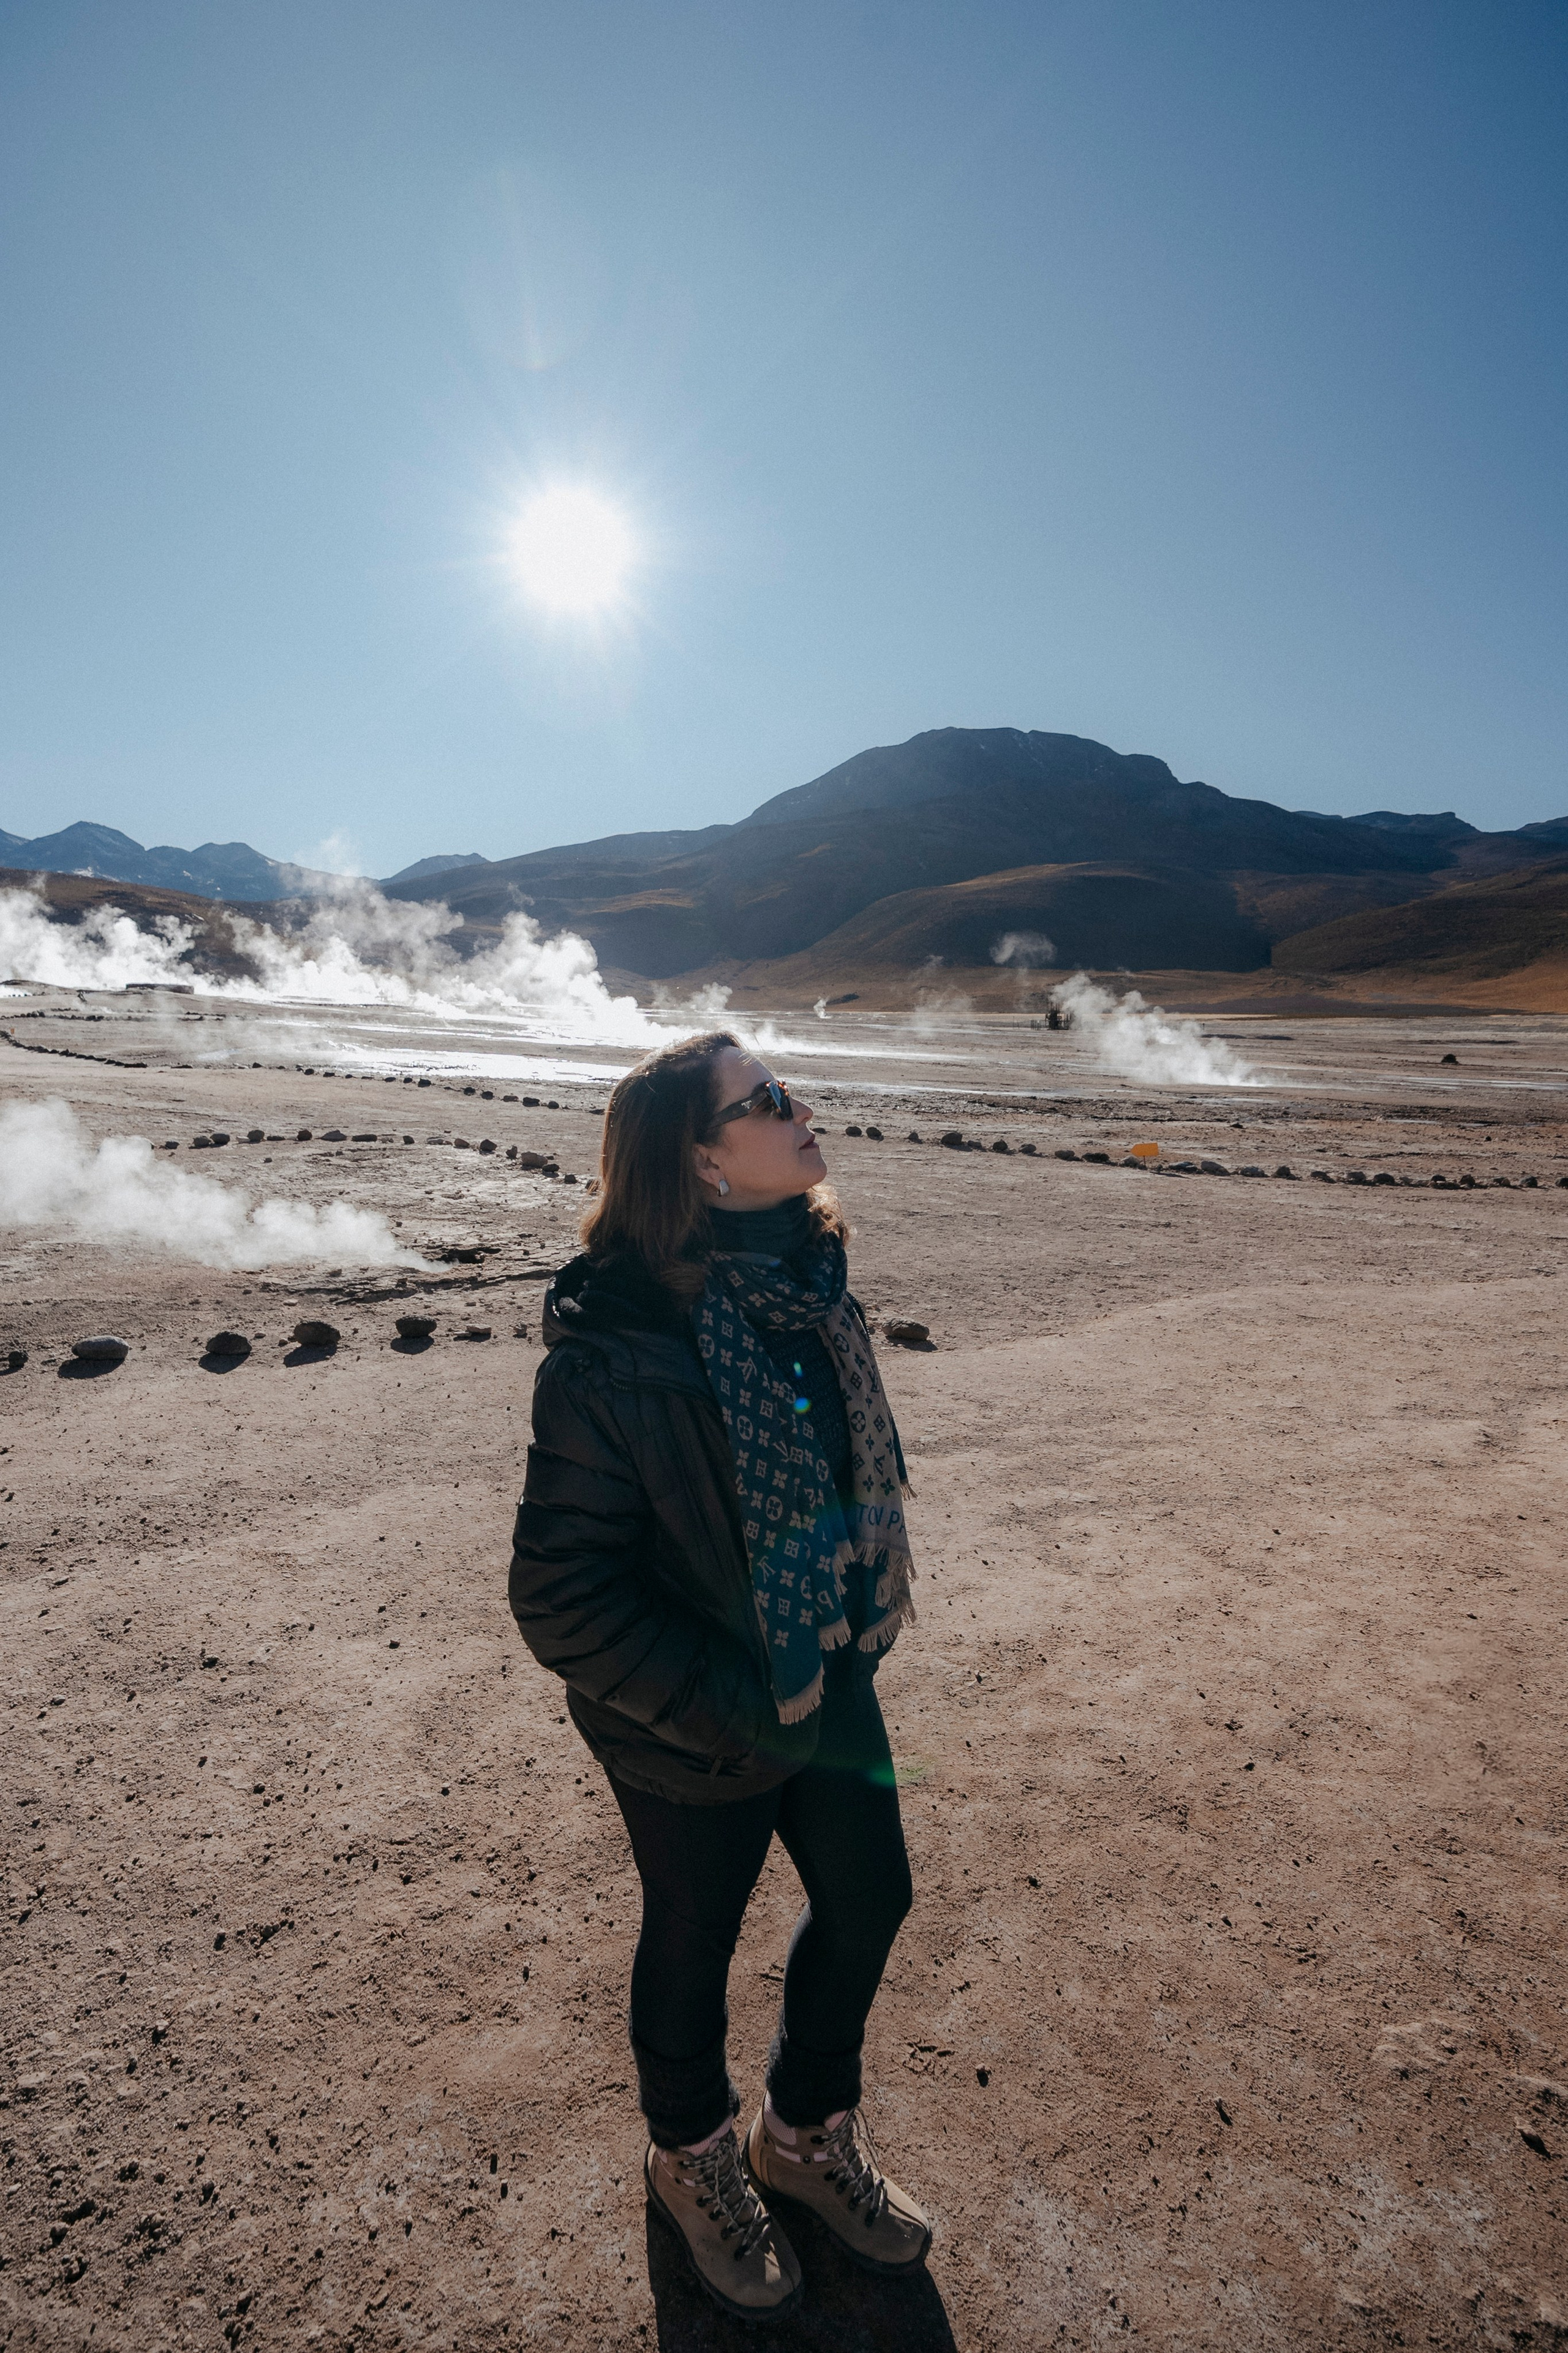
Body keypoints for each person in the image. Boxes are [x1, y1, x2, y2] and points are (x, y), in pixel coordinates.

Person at [508, 1029, 930, 2321]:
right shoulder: (616, 1348)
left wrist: (845, 1620)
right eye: (766, 1101)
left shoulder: (809, 1283)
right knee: (694, 1937)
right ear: (699, 1162)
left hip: (824, 1671)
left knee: (871, 1894)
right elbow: (562, 1595)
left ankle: (800, 2134)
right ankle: (691, 2152)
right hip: (694, 1714)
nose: (800, 1110)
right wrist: (733, 1707)